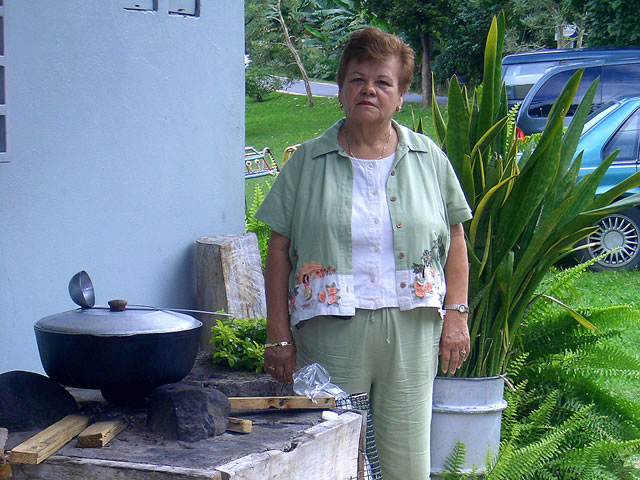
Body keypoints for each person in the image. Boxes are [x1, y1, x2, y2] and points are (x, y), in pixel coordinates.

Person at [256, 26, 472, 480]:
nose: (368, 90)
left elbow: (455, 238)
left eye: (383, 81)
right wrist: (278, 336)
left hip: (412, 329)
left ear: (400, 95)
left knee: (406, 462)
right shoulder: (307, 162)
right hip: (331, 331)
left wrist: (457, 314)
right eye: (357, 79)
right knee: (330, 455)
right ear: (341, 90)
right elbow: (278, 250)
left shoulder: (428, 158)